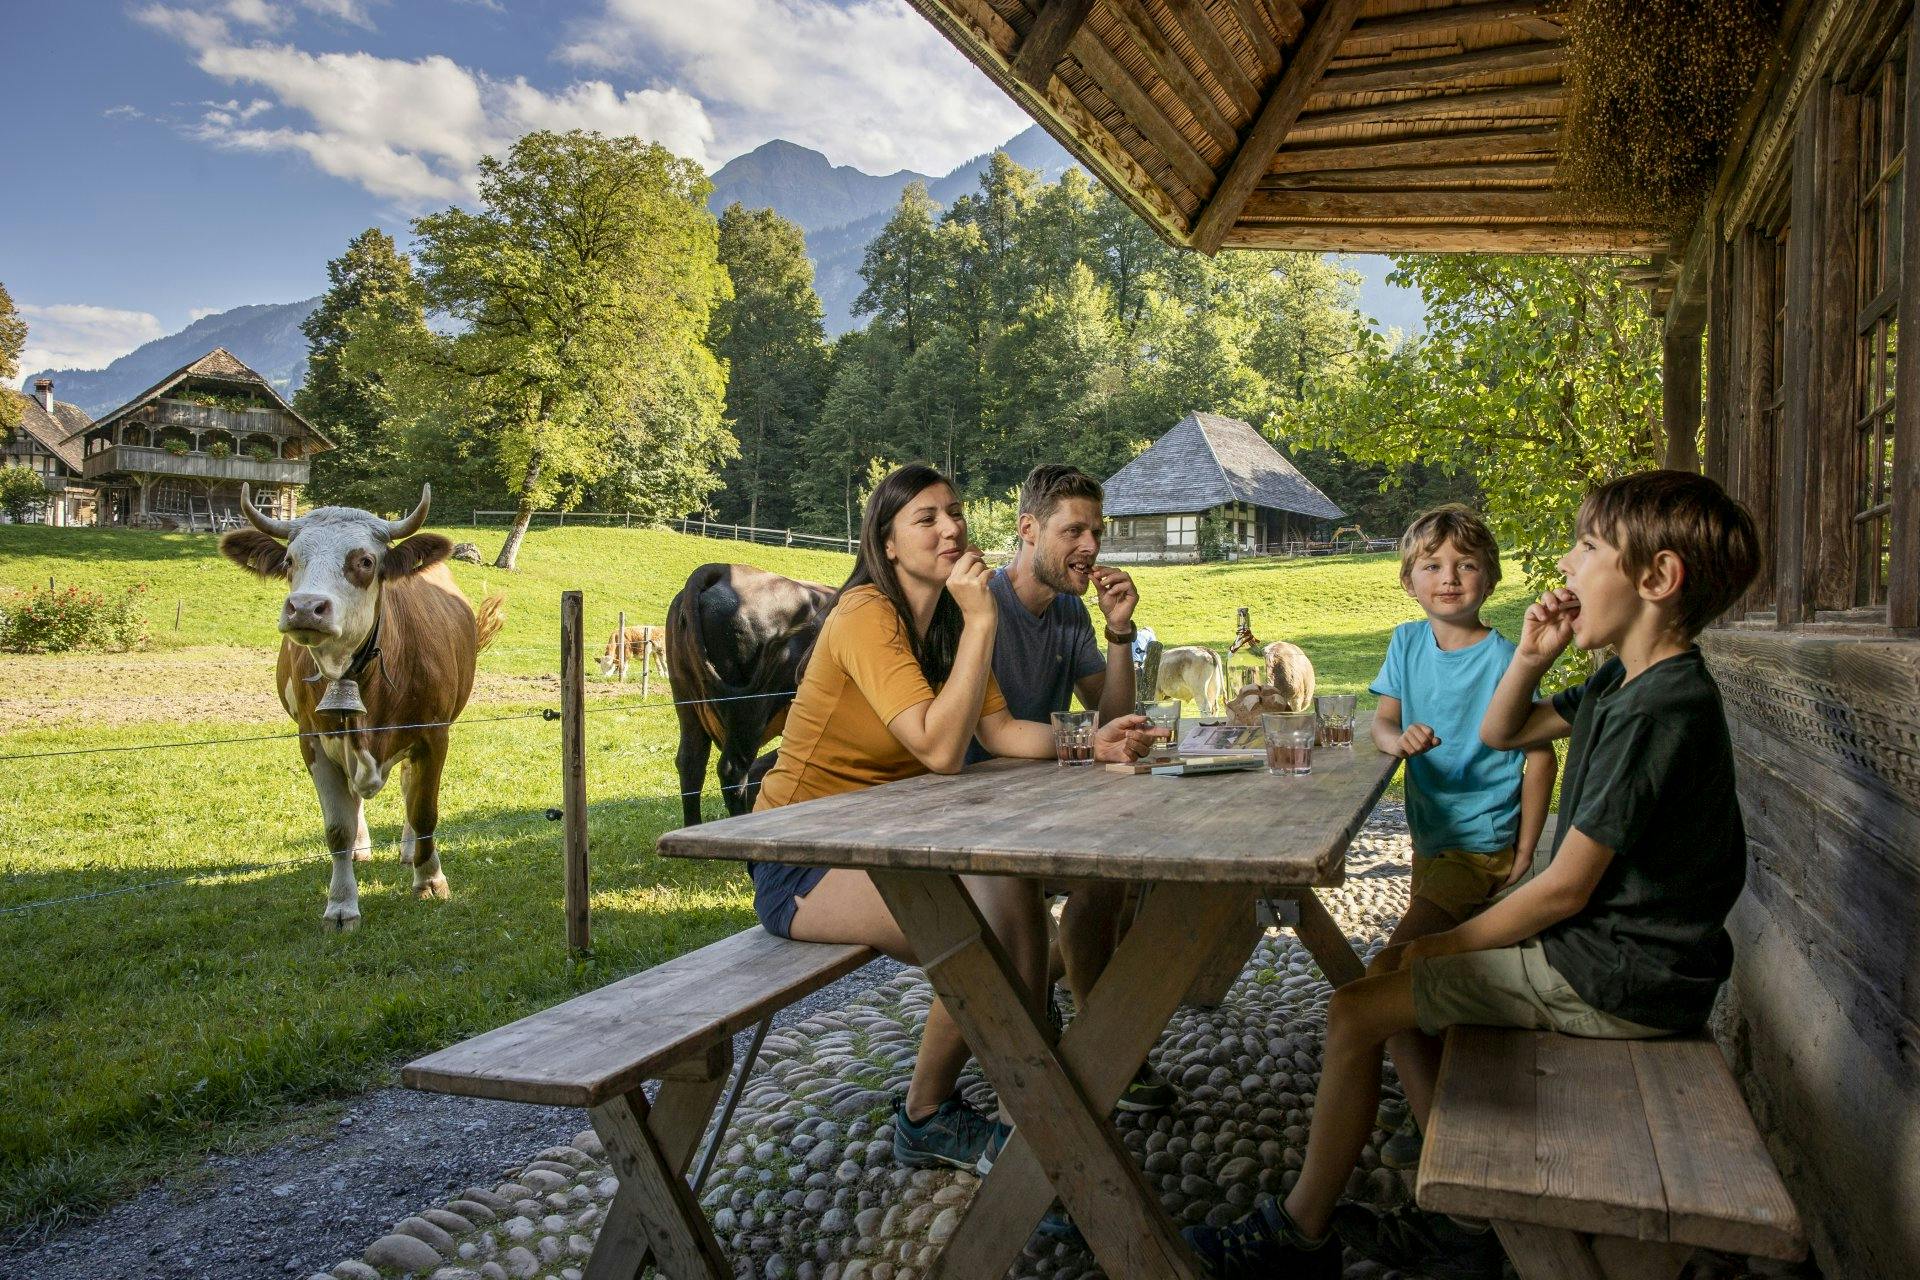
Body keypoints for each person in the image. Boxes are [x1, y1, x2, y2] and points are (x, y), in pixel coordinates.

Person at [1183, 471, 1759, 1280]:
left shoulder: (1660, 709)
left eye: (1588, 548)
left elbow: (1565, 888)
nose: (1564, 563)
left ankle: (1302, 1234)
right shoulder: (1625, 682)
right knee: (1394, 989)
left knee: (1356, 1008)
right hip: (1621, 959)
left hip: (1613, 976)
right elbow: (1505, 730)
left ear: (1658, 580)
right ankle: (1458, 1217)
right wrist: (1528, 656)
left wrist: (1447, 944)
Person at [749, 462, 1161, 1174]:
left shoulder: (945, 617)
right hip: (803, 850)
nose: (951, 528)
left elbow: (1001, 732)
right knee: (980, 926)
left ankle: (1024, 1114)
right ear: (886, 542)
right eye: (927, 518)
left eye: (957, 513)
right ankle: (932, 1114)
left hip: (888, 838)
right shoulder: (864, 616)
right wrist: (980, 620)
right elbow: (942, 748)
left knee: (1009, 896)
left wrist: (1087, 743)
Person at [968, 463, 1176, 1116]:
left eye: (1097, 531)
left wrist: (1119, 630)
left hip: (1046, 798)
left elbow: (1111, 721)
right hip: (970, 810)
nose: (1090, 545)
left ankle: (1100, 1040)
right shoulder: (979, 609)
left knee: (1111, 875)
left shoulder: (1068, 613)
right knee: (1031, 919)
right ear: (1029, 530)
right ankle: (1030, 1098)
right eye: (1073, 530)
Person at [1366, 505, 1557, 1169]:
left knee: (1384, 976)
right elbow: (1382, 721)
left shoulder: (1509, 658)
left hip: (1479, 843)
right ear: (1410, 580)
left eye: (1466, 565)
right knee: (1429, 971)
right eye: (1433, 565)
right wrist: (1400, 740)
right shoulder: (1406, 644)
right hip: (1431, 837)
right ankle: (1450, 1110)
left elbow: (1539, 755)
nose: (1449, 577)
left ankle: (1444, 1142)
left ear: (1490, 577)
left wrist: (1527, 848)